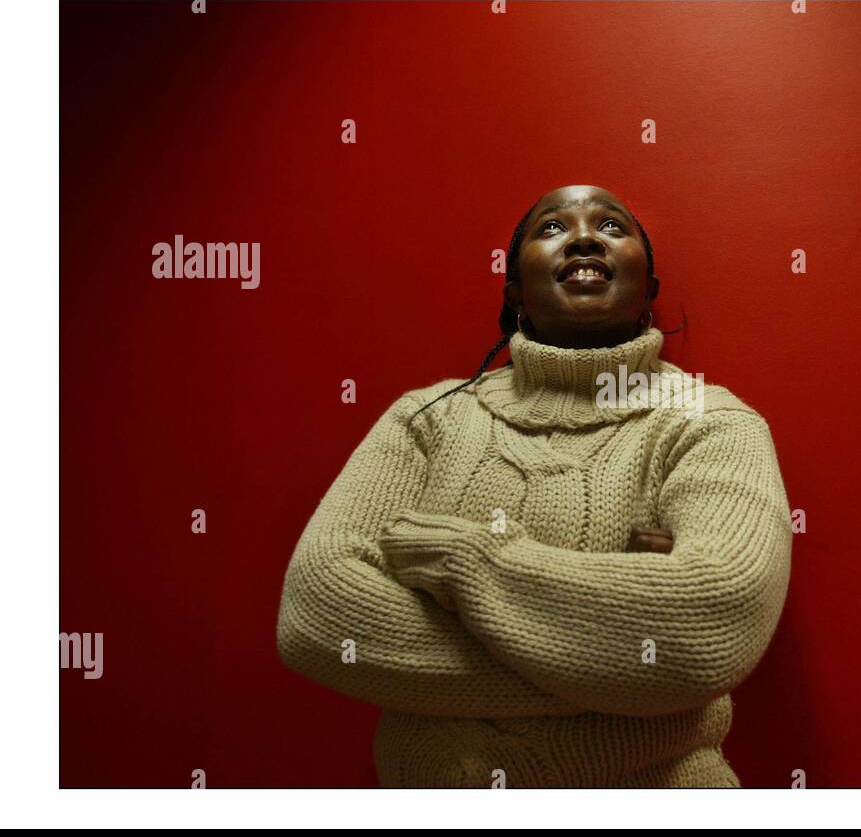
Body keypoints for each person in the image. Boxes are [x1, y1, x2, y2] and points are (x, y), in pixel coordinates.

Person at [276, 184, 793, 787]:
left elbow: (709, 624)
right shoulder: (426, 419)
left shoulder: (709, 419)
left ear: (648, 287)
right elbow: (316, 619)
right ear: (514, 291)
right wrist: (615, 656)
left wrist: (463, 559)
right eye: (551, 228)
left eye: (611, 226)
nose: (581, 237)